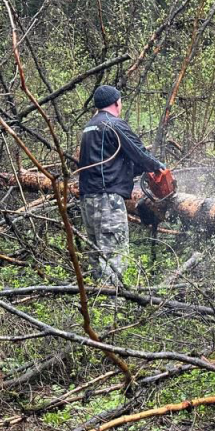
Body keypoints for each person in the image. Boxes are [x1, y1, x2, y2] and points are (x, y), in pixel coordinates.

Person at [77, 85, 166, 285]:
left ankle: (95, 306)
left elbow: (110, 161)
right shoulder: (114, 124)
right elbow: (139, 152)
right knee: (114, 256)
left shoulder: (89, 127)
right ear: (117, 102)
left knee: (96, 255)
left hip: (87, 199)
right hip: (107, 200)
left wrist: (136, 170)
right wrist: (157, 167)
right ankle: (112, 306)